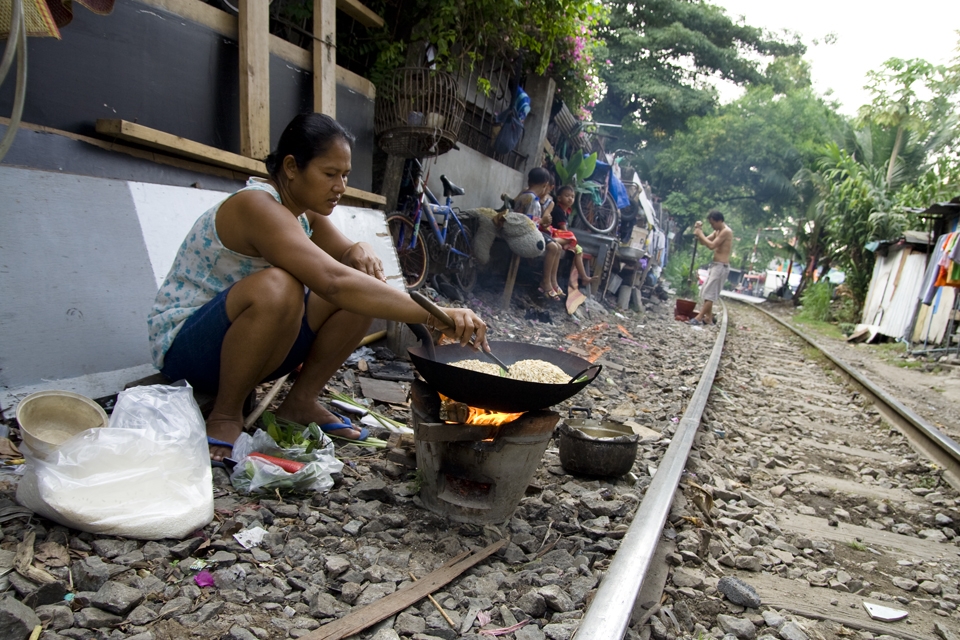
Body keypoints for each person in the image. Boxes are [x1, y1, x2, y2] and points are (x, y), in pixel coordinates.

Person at [148, 113, 488, 464]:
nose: (340, 186)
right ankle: (225, 414)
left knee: (362, 282)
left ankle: (300, 402)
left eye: (344, 175)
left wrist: (358, 248)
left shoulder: (304, 213)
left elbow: (347, 266)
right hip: (189, 349)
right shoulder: (256, 205)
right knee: (280, 286)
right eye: (329, 174)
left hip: (249, 351)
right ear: (292, 167)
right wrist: (436, 315)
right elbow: (333, 282)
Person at [513, 167, 563, 300]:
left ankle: (553, 281)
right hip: (525, 234)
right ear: (545, 185)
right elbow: (529, 223)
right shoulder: (532, 200)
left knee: (558, 247)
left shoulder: (525, 195)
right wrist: (543, 220)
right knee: (553, 247)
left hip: (523, 230)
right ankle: (546, 282)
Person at [549, 185, 599, 290]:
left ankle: (581, 278)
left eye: (572, 196)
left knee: (578, 250)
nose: (570, 198)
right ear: (559, 198)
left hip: (560, 236)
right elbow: (564, 231)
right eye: (567, 196)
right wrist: (569, 241)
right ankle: (583, 277)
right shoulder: (558, 211)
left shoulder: (566, 211)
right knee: (575, 246)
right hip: (554, 236)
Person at [688, 210, 733, 326]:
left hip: (721, 266)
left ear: (719, 221)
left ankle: (699, 318)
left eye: (713, 223)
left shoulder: (726, 232)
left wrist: (700, 233)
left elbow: (712, 245)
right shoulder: (717, 231)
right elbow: (704, 242)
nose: (712, 226)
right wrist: (699, 231)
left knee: (710, 293)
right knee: (706, 291)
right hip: (716, 265)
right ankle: (708, 318)